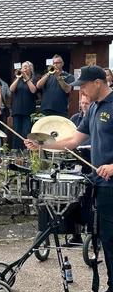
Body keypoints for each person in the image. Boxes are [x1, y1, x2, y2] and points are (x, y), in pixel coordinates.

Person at [25, 65, 113, 292]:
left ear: (98, 82)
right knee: (106, 239)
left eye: (83, 86)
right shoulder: (94, 108)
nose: (80, 91)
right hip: (100, 184)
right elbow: (74, 140)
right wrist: (43, 143)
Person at [60, 94, 92, 247]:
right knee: (73, 196)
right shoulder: (74, 119)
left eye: (87, 103)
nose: (84, 106)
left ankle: (93, 235)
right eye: (82, 103)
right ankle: (76, 234)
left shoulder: (96, 119)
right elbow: (69, 138)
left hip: (92, 160)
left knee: (90, 198)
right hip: (76, 161)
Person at [9, 61, 38, 150]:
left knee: (26, 133)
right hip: (17, 110)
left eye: (26, 67)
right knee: (16, 133)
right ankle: (15, 150)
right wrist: (18, 77)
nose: (24, 69)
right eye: (23, 67)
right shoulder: (18, 79)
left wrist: (27, 78)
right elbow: (11, 89)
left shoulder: (34, 80)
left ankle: (27, 151)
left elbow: (33, 90)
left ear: (31, 69)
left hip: (28, 110)